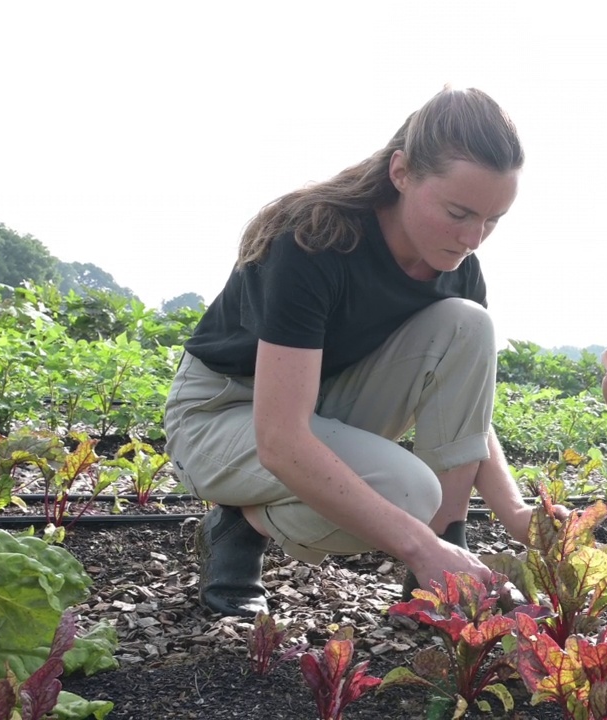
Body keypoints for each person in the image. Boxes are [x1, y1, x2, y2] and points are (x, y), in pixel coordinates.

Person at [163, 87, 560, 617]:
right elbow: (281, 439)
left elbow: (466, 415)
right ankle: (237, 524)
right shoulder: (313, 239)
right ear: (401, 172)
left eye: (492, 220)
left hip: (322, 407)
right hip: (222, 415)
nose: (474, 239)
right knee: (406, 496)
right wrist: (417, 547)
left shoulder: (457, 267)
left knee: (470, 323)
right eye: (458, 213)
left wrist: (515, 512)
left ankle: (446, 558)